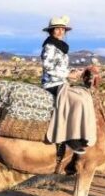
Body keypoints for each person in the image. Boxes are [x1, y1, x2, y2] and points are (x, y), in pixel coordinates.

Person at [40, 16, 97, 160]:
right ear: (51, 31)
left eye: (62, 29)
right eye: (57, 29)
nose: (60, 31)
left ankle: (82, 134)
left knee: (85, 96)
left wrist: (76, 72)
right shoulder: (49, 46)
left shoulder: (60, 46)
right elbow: (48, 67)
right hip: (52, 84)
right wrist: (67, 74)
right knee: (77, 101)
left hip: (62, 82)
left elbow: (61, 67)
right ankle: (70, 137)